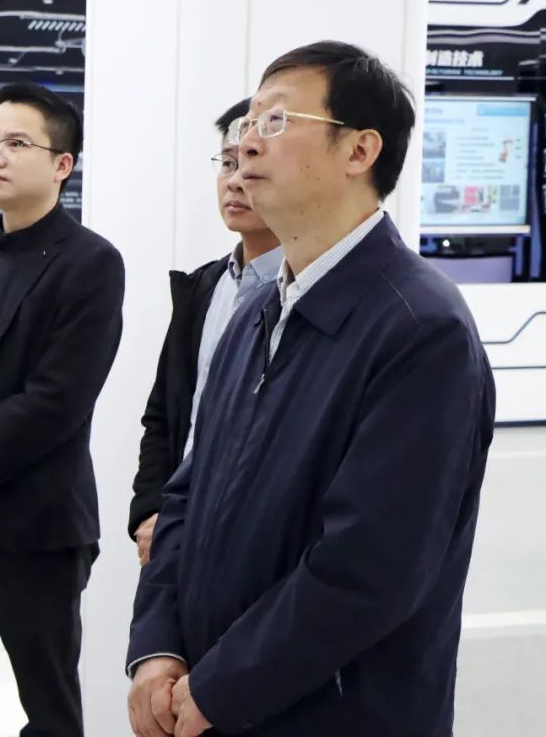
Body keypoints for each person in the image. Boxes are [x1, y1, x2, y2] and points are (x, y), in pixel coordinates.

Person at [126, 41, 495, 737]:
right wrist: (158, 647)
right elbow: (187, 495)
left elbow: (369, 570)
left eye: (275, 121)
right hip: (215, 700)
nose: (246, 144)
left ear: (359, 150)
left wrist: (222, 687)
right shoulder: (256, 315)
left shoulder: (421, 330)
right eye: (247, 125)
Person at [0, 81, 125, 737]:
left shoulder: (92, 262)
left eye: (17, 143)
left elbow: (57, 400)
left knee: (48, 708)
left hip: (36, 525)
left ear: (62, 164)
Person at [128, 98, 282, 565]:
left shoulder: (303, 295)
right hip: (175, 530)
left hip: (251, 541)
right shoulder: (203, 287)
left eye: (251, 164)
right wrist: (149, 511)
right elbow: (164, 413)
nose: (235, 180)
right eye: (228, 163)